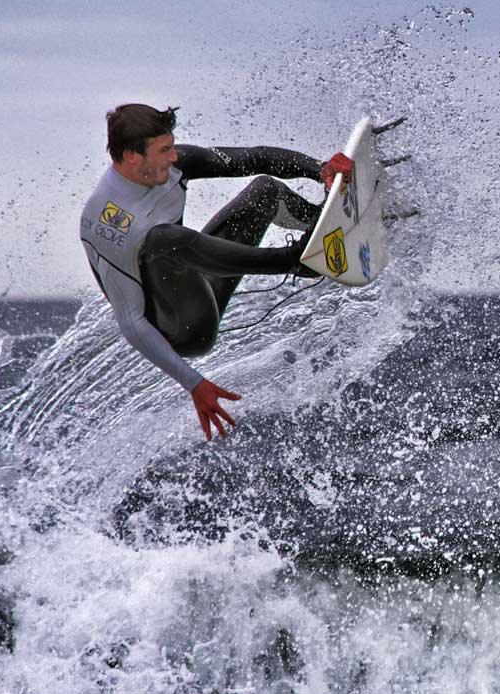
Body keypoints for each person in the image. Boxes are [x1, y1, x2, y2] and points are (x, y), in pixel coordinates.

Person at [79, 103, 355, 441]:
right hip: (182, 327)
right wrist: (194, 383)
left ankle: (323, 226)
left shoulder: (173, 166)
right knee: (164, 240)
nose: (174, 157)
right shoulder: (107, 223)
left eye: (171, 146)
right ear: (131, 156)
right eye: (164, 150)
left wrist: (320, 168)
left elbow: (254, 158)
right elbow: (132, 324)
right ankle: (297, 260)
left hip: (199, 276)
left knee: (264, 190)